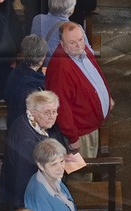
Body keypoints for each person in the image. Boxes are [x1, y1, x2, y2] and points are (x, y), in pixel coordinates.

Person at [46, 21, 114, 160]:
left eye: (81, 39)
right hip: (82, 133)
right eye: (72, 42)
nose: (78, 45)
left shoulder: (82, 50)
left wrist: (107, 96)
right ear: (62, 43)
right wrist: (73, 138)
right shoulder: (61, 69)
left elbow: (96, 74)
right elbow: (62, 107)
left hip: (93, 124)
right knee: (83, 172)